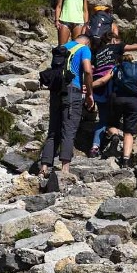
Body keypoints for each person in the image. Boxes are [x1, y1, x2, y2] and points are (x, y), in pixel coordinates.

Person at [89, 32, 137, 163]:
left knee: (104, 118)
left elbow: (91, 70)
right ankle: (125, 158)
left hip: (100, 86)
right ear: (114, 40)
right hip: (117, 87)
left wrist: (87, 87)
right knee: (127, 130)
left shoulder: (96, 52)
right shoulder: (116, 48)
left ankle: (95, 146)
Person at [40, 34, 94, 177]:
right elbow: (88, 70)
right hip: (72, 90)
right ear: (87, 42)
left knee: (53, 130)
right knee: (69, 128)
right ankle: (65, 170)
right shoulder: (84, 49)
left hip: (56, 90)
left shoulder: (61, 48)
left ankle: (44, 167)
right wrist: (89, 93)